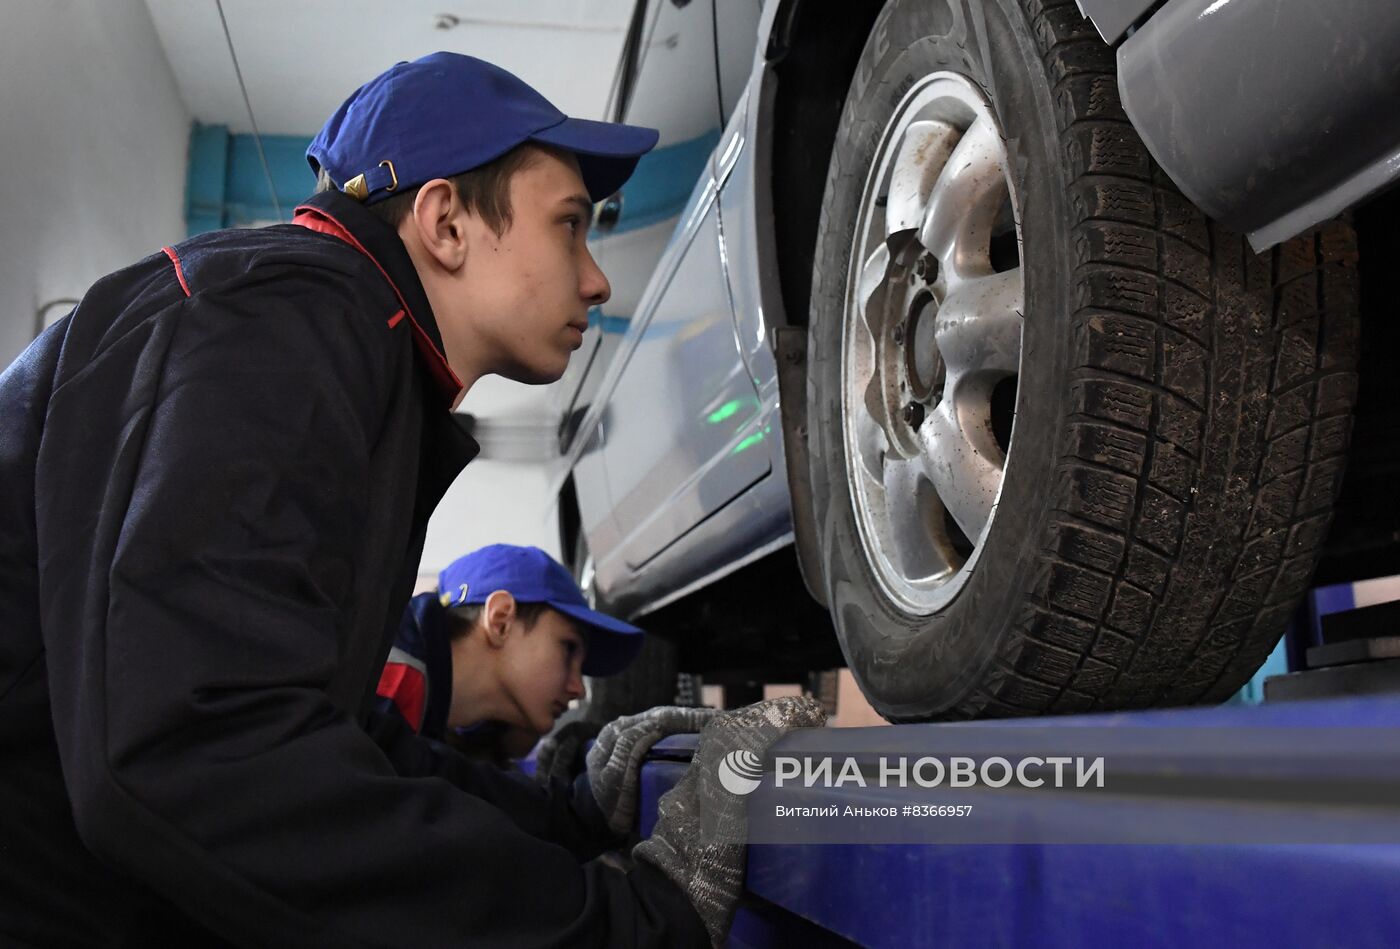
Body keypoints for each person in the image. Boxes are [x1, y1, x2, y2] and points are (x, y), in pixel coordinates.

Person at [0, 51, 825, 948]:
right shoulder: (276, 330)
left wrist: (570, 812)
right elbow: (196, 752)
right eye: (570, 226)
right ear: (446, 222)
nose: (596, 279)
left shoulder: (343, 349)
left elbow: (340, 738)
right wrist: (627, 930)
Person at [375, 544, 643, 764]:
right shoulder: (386, 671)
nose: (578, 690)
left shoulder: (421, 713)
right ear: (501, 620)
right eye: (569, 648)